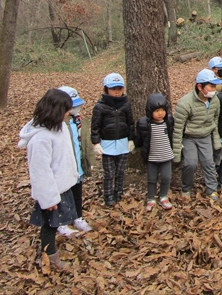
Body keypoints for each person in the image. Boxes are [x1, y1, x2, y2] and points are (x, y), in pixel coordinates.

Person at [18, 88, 79, 270]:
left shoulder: (60, 127)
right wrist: (49, 199)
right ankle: (49, 258)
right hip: (52, 191)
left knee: (57, 223)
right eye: (66, 110)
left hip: (62, 186)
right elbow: (40, 172)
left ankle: (49, 254)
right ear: (56, 110)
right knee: (49, 226)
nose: (68, 113)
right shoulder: (40, 140)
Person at [172, 69, 222, 201]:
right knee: (190, 164)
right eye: (211, 86)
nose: (214, 89)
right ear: (200, 86)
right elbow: (178, 129)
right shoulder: (185, 103)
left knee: (208, 163)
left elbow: (215, 120)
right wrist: (176, 153)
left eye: (215, 86)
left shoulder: (215, 100)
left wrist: (216, 141)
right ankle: (186, 188)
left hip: (205, 136)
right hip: (189, 137)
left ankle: (212, 189)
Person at [90, 73, 135, 207]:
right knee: (109, 172)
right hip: (107, 145)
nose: (116, 92)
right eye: (113, 89)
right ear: (106, 89)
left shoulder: (126, 104)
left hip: (122, 143)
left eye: (119, 88)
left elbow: (130, 123)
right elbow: (95, 126)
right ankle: (108, 195)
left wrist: (131, 139)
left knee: (120, 171)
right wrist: (96, 142)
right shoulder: (100, 107)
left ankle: (118, 192)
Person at [56, 86, 94, 236]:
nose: (76, 108)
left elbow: (85, 142)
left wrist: (89, 159)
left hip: (78, 164)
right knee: (63, 195)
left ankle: (77, 217)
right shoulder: (58, 124)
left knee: (77, 193)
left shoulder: (79, 121)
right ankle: (62, 222)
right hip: (64, 166)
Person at [135, 94, 175, 212]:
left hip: (167, 156)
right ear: (150, 111)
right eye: (157, 111)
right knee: (151, 179)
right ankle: (151, 198)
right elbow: (141, 139)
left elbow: (173, 135)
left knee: (166, 177)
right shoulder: (145, 124)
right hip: (152, 157)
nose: (160, 113)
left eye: (162, 110)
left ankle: (163, 196)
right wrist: (135, 144)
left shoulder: (168, 122)